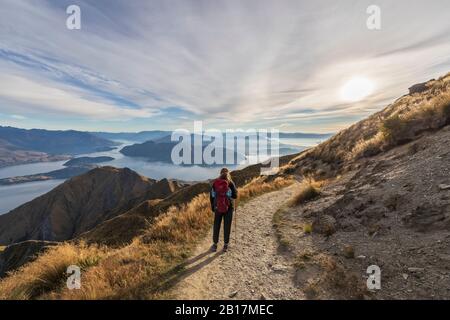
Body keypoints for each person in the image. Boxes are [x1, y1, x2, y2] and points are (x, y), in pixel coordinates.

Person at [210, 167, 237, 252]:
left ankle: (215, 245)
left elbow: (211, 196)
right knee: (227, 226)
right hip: (228, 208)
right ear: (228, 173)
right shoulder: (230, 183)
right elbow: (235, 196)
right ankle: (225, 245)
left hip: (218, 207)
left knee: (216, 225)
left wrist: (213, 207)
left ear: (220, 173)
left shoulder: (215, 183)